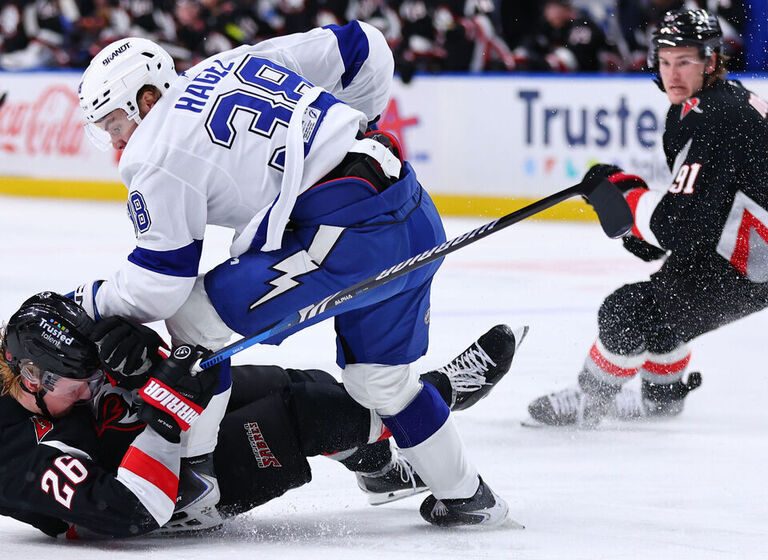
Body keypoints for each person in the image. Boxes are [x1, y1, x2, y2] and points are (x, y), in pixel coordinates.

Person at [72, 21, 506, 526]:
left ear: (147, 100)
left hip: (345, 235)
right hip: (410, 207)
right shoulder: (226, 63)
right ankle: (469, 498)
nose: (117, 141)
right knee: (381, 382)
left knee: (194, 320)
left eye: (115, 124)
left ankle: (197, 481)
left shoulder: (154, 151)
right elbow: (364, 44)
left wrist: (90, 299)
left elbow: (161, 286)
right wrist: (350, 132)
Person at [0, 292, 526, 538]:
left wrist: (147, 362)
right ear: (31, 376)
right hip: (170, 492)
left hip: (143, 436)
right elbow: (131, 511)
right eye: (83, 381)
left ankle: (382, 469)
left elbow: (115, 373)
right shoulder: (17, 457)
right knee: (301, 417)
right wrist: (166, 413)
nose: (96, 384)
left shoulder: (55, 374)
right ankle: (436, 395)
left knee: (289, 383)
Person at [527, 7, 768, 426]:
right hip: (741, 249)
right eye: (665, 61)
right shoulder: (719, 102)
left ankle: (591, 400)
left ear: (711, 61)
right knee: (661, 308)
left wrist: (625, 193)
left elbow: (675, 226)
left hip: (751, 263)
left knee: (627, 311)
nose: (672, 73)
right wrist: (636, 216)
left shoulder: (711, 114)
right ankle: (664, 397)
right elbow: (701, 210)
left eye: (685, 61)